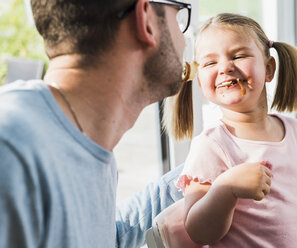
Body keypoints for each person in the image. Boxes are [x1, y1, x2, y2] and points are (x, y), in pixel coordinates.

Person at [164, 13, 297, 247]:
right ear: (201, 83)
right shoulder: (211, 145)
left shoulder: (295, 132)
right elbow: (199, 233)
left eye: (239, 55)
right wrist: (226, 188)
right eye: (210, 62)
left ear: (269, 68)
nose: (225, 67)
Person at [0, 0, 190, 247]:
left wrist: (201, 169)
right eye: (178, 15)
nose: (185, 40)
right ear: (146, 20)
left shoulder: (87, 143)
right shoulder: (12, 151)